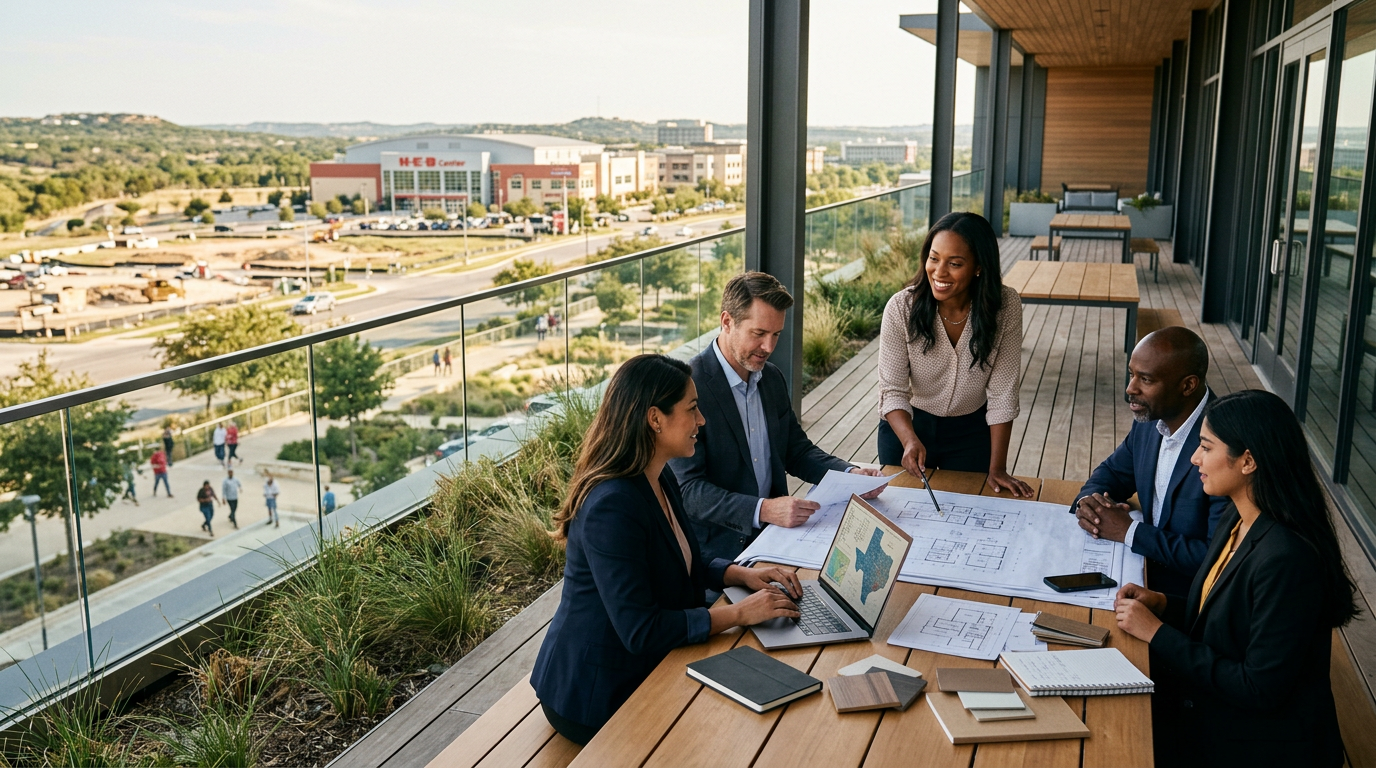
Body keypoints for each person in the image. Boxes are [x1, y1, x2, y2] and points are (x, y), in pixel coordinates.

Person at [532, 354, 803, 745]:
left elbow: (677, 559)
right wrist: (740, 613)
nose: (702, 421)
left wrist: (740, 573)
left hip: (642, 662)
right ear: (655, 418)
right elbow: (641, 631)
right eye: (692, 410)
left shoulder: (658, 476)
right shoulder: (612, 505)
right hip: (598, 691)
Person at [1114, 390, 1355, 767]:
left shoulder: (1287, 560)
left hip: (1258, 745)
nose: (1194, 458)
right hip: (1213, 713)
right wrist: (1163, 604)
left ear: (1247, 461)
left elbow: (1258, 688)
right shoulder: (1236, 517)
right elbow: (1230, 620)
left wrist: (1157, 632)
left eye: (1206, 448)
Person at [670, 271, 884, 564]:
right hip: (716, 556)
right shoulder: (688, 388)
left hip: (779, 537)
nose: (769, 348)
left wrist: (849, 475)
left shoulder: (770, 378)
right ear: (726, 322)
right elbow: (689, 491)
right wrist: (764, 509)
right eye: (758, 334)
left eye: (776, 335)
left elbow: (796, 451)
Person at [877, 212, 1032, 497]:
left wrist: (997, 468)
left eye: (955, 263)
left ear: (978, 267)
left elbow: (1003, 394)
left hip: (971, 434)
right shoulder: (901, 308)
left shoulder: (1005, 306)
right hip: (907, 429)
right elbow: (893, 390)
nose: (939, 272)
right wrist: (910, 440)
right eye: (934, 258)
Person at [1073, 327, 1229, 596]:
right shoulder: (1150, 421)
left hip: (1187, 599)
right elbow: (1113, 472)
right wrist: (1091, 503)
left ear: (1188, 385)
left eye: (1145, 379)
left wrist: (1129, 532)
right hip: (1136, 569)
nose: (1130, 389)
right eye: (1131, 374)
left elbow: (1214, 557)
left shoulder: (1224, 446)